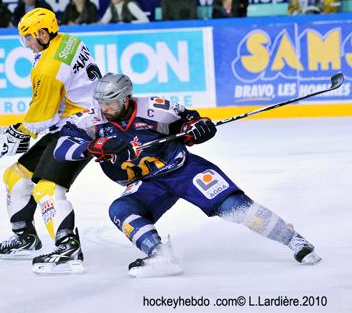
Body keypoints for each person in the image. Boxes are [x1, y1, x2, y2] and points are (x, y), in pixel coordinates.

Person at [54, 73, 322, 277]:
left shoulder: (155, 108)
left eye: (110, 102)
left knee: (234, 207)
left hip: (183, 170)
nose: (104, 108)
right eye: (100, 102)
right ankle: (160, 255)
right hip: (147, 184)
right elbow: (61, 148)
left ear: (126, 99)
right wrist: (93, 146)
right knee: (121, 209)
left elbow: (189, 120)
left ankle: (293, 239)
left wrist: (198, 128)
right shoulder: (92, 122)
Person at [0, 8, 102, 274]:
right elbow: (54, 109)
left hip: (83, 129)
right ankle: (26, 237)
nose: (27, 45)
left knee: (46, 188)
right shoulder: (66, 40)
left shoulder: (48, 67)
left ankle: (68, 249)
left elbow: (42, 114)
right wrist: (26, 128)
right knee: (15, 175)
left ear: (43, 33)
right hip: (71, 122)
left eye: (29, 38)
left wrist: (19, 131)